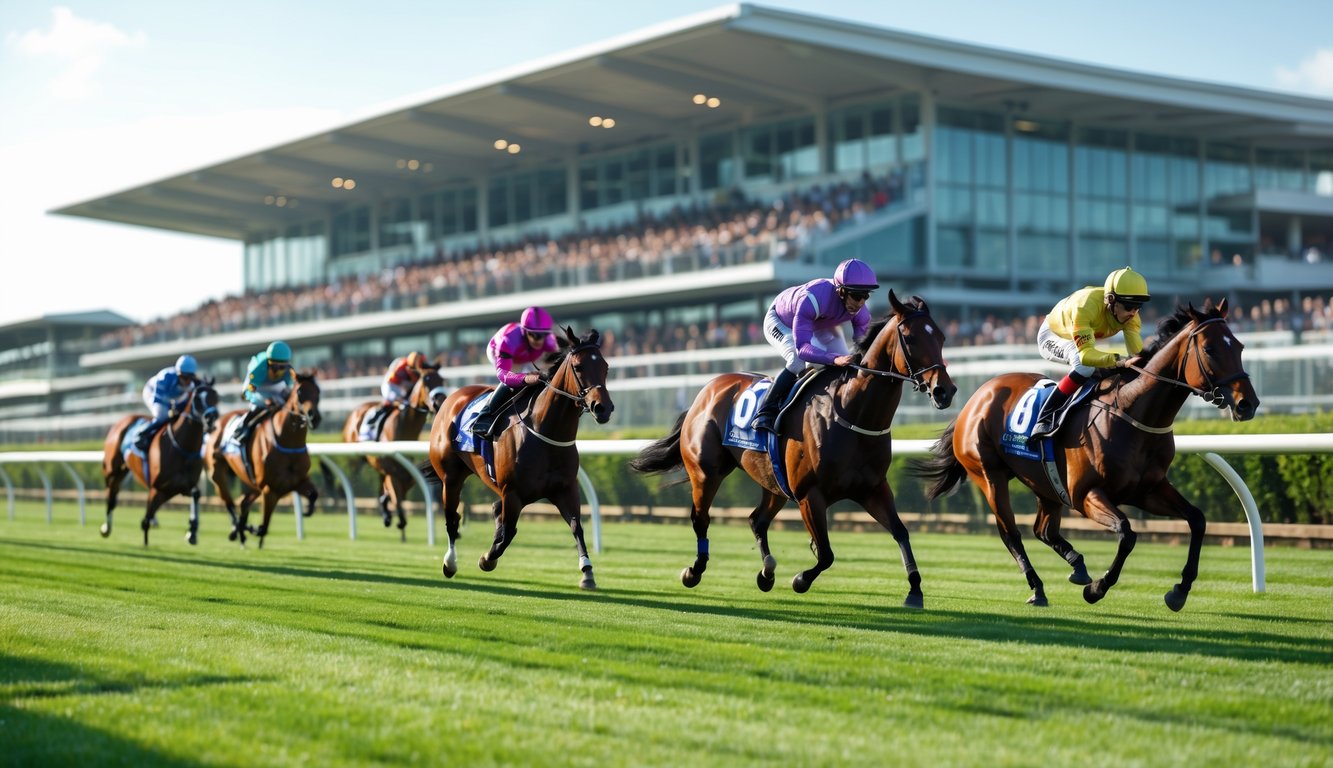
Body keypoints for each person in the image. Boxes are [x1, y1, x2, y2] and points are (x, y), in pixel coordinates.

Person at [749, 258, 878, 433]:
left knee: (847, 366)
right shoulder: (812, 298)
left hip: (821, 323)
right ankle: (765, 412)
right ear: (841, 292)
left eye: (866, 295)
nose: (861, 303)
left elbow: (863, 349)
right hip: (780, 321)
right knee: (796, 361)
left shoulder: (860, 312)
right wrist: (834, 358)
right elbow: (803, 348)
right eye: (856, 296)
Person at [1028, 266, 1150, 442]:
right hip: (1053, 335)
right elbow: (1086, 355)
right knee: (1084, 367)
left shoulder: (1131, 317)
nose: (1133, 312)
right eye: (1129, 306)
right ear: (1110, 300)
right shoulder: (1085, 306)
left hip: (1079, 338)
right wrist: (1118, 361)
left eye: (1138, 306)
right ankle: (1046, 416)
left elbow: (1137, 354)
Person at [469, 307, 559, 440]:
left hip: (527, 356)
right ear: (525, 331)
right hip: (499, 351)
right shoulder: (509, 340)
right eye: (534, 335)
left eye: (543, 335)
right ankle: (485, 417)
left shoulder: (549, 341)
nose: (539, 340)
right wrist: (525, 378)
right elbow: (503, 375)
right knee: (514, 380)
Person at [233, 340, 296, 447]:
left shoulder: (290, 372)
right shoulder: (257, 370)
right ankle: (240, 430)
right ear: (267, 363)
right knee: (255, 408)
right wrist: (263, 400)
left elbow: (290, 390)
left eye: (282, 367)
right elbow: (247, 393)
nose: (278, 372)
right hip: (258, 390)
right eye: (274, 367)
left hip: (276, 390)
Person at [135, 354, 200, 452]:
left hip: (172, 397)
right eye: (184, 377)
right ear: (178, 373)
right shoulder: (165, 377)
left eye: (190, 378)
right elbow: (159, 399)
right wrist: (170, 409)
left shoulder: (192, 383)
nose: (187, 381)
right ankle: (142, 434)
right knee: (162, 416)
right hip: (152, 391)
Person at [366, 351, 426, 438]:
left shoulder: (421, 366)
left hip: (404, 388)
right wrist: (398, 399)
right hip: (391, 386)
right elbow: (392, 383)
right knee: (397, 402)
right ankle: (375, 416)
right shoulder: (401, 366)